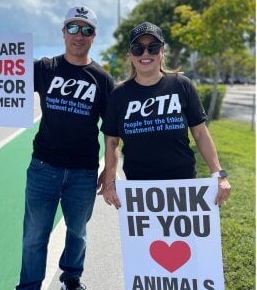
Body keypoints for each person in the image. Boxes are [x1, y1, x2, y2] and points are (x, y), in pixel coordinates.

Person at [0, 6, 115, 290]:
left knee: (77, 233)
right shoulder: (44, 68)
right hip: (44, 168)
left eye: (86, 29)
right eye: (73, 28)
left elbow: (112, 132)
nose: (79, 35)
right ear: (63, 32)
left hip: (84, 172)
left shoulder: (102, 79)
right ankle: (29, 286)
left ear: (94, 36)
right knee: (34, 236)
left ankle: (71, 279)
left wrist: (109, 170)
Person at [98, 21, 231, 209]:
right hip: (139, 189)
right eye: (138, 48)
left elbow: (200, 134)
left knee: (186, 239)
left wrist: (219, 175)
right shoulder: (119, 95)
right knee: (146, 239)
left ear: (162, 52)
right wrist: (111, 181)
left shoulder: (181, 85)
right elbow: (112, 142)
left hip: (182, 185)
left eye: (153, 47)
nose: (145, 54)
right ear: (130, 55)